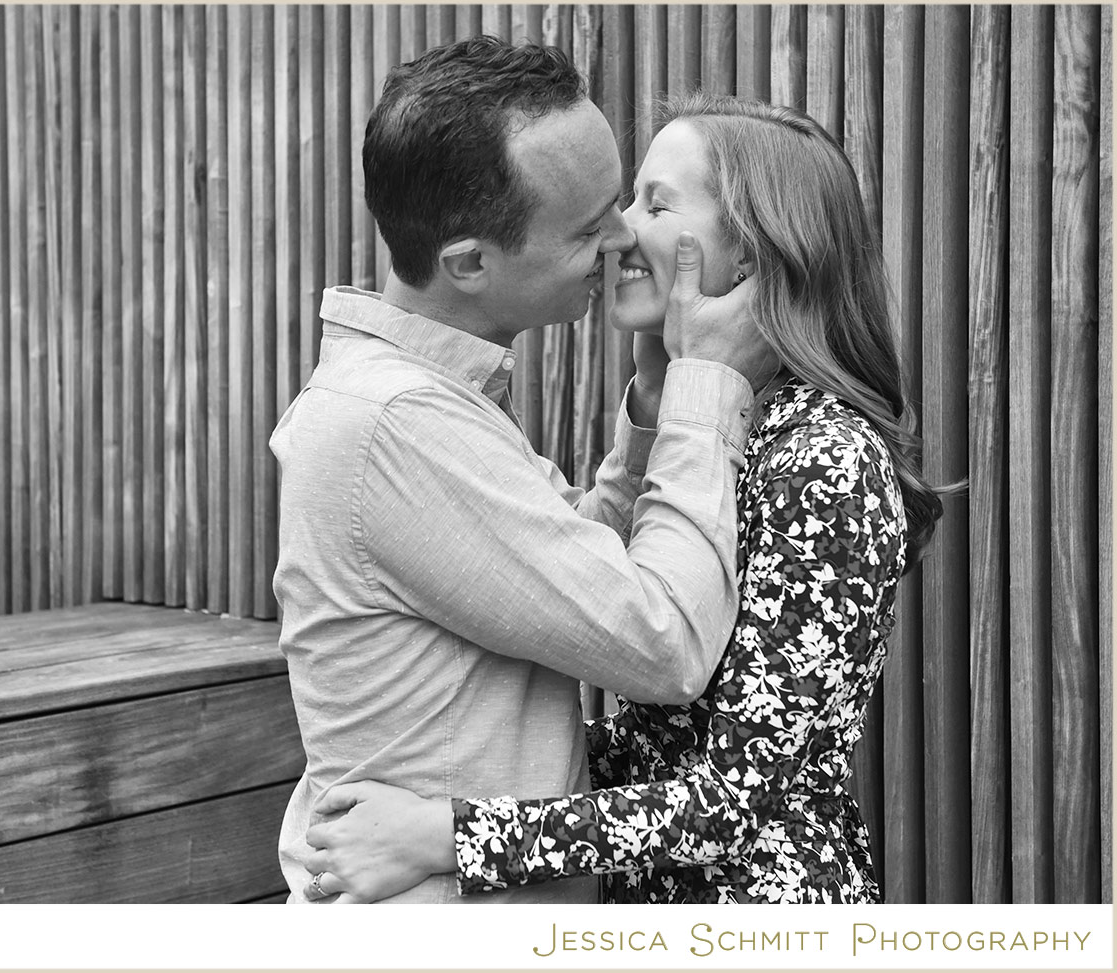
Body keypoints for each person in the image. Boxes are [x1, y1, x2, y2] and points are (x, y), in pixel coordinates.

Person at [299, 93, 947, 904]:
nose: (620, 232)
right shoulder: (708, 432)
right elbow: (656, 744)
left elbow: (730, 800)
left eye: (655, 203)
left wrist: (448, 832)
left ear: (748, 257)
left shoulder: (828, 462)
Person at [270, 41, 773, 904]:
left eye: (626, 203)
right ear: (469, 262)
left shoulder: (429, 398)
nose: (623, 240)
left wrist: (654, 401)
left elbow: (574, 572)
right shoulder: (399, 426)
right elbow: (664, 641)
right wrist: (704, 386)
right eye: (589, 227)